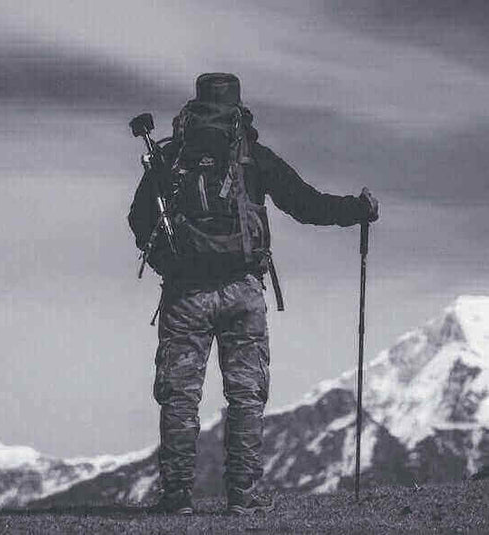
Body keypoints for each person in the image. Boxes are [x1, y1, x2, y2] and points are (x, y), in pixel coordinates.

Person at [128, 73, 379, 515]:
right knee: (245, 396)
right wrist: (356, 210)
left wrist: (174, 267)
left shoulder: (169, 157)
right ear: (238, 106)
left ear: (195, 103)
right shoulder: (252, 157)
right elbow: (306, 204)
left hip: (185, 294)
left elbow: (138, 219)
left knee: (181, 397)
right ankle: (242, 497)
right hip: (243, 291)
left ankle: (176, 498)